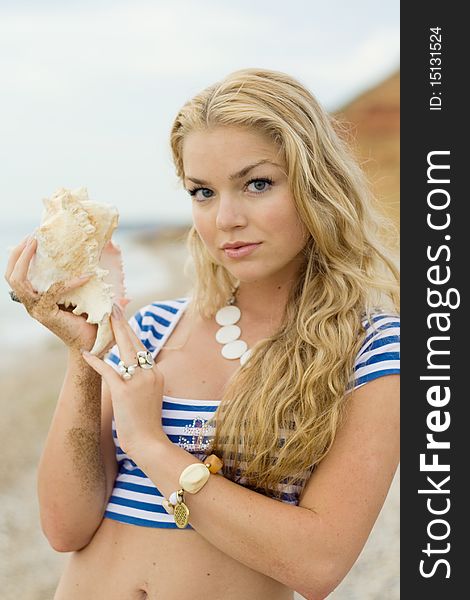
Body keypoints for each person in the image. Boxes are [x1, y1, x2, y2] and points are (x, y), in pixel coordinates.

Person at [5, 68, 400, 600]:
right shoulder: (149, 331)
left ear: (315, 185)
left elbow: (318, 563)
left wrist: (151, 445)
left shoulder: (372, 350)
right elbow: (64, 528)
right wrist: (86, 354)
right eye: (203, 192)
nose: (226, 218)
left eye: (257, 183)